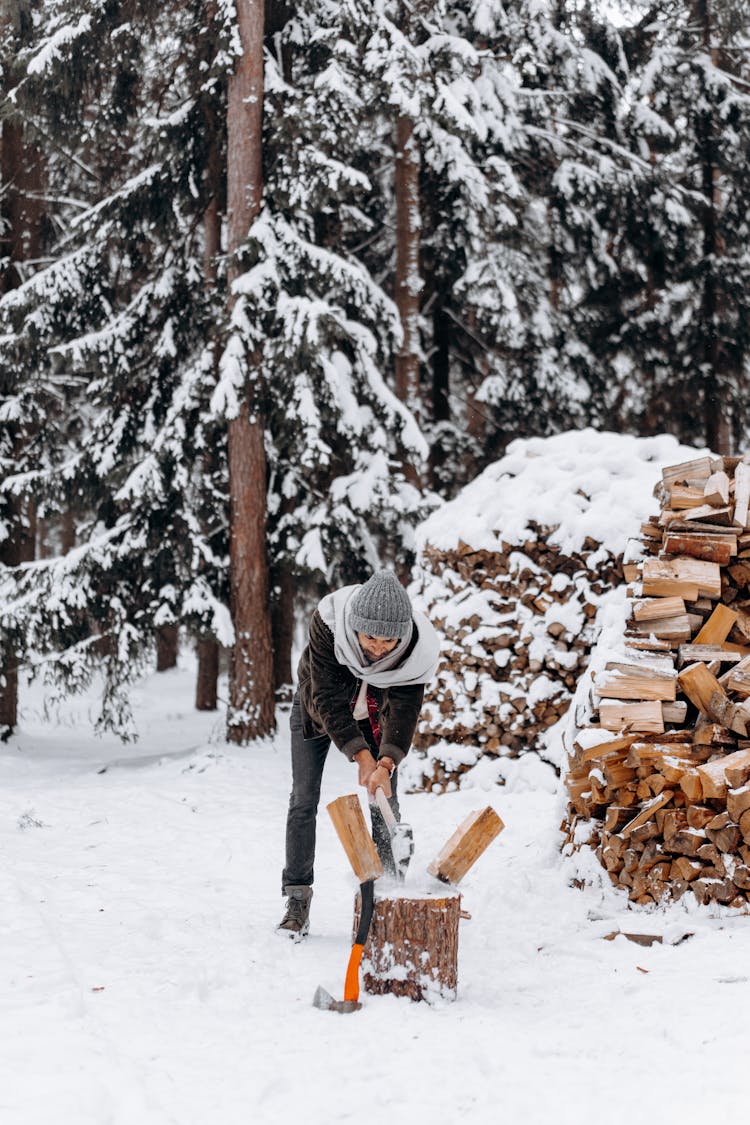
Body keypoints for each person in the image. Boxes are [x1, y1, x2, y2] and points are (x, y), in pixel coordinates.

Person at [278, 568, 441, 938]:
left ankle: (389, 897)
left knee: (384, 800)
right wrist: (360, 756)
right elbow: (327, 699)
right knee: (304, 799)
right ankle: (297, 898)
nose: (378, 648)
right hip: (318, 712)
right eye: (370, 637)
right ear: (354, 626)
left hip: (375, 719)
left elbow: (404, 710)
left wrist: (384, 762)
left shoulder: (417, 652)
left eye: (389, 642)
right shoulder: (329, 623)